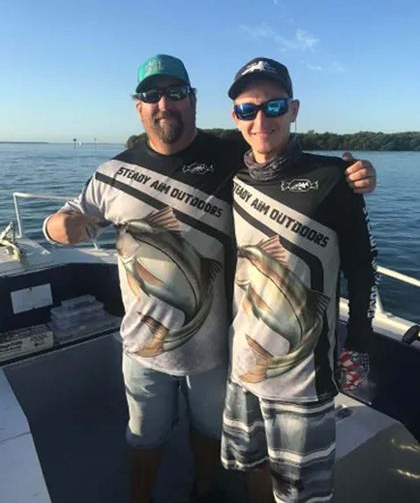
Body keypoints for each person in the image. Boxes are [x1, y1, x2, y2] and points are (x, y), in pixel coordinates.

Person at [43, 54, 376, 503]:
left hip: (218, 348)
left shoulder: (230, 161)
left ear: (193, 102)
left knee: (211, 434)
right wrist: (55, 227)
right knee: (145, 435)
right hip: (147, 348)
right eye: (151, 95)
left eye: (176, 93)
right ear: (138, 107)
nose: (164, 104)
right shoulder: (112, 174)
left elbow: (342, 240)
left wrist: (355, 174)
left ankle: (202, 491)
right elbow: (68, 217)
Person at [220, 57, 378, 503]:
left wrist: (359, 343)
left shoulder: (333, 177)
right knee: (249, 467)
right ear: (236, 117)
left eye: (274, 106)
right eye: (249, 109)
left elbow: (362, 268)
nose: (261, 119)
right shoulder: (230, 175)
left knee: (300, 495)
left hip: (305, 376)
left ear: (294, 109)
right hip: (243, 364)